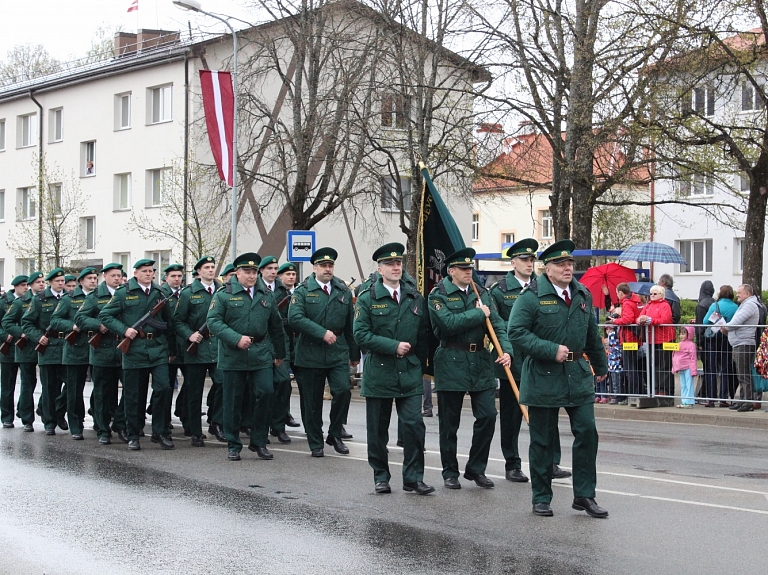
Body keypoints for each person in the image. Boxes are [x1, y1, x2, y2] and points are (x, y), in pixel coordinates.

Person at [508, 239, 609, 518]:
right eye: (561, 264)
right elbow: (516, 332)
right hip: (544, 375)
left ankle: (585, 495)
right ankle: (541, 496)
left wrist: (601, 365)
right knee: (543, 440)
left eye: (570, 264)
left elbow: (591, 334)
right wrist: (551, 350)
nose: (567, 268)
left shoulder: (582, 294)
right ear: (547, 268)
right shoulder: (531, 296)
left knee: (587, 432)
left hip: (576, 375)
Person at [428, 247, 512, 490]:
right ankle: (449, 471)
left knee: (487, 416)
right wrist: (477, 313)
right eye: (463, 269)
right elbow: (447, 325)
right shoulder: (438, 295)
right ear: (451, 271)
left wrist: (506, 351)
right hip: (451, 359)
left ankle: (476, 468)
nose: (468, 272)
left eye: (470, 269)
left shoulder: (482, 293)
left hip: (480, 363)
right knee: (449, 423)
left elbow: (497, 326)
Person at [353, 243, 433, 495]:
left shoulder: (414, 296)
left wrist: (422, 365)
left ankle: (413, 478)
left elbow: (423, 334)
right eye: (390, 264)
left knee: (414, 425)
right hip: (380, 372)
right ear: (380, 269)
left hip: (409, 372)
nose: (396, 267)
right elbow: (361, 335)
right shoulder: (367, 298)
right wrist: (392, 346)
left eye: (399, 263)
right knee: (378, 430)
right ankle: (381, 475)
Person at [207, 253, 286, 461]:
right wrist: (235, 338)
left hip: (260, 352)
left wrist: (279, 353)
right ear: (238, 273)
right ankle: (233, 444)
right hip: (234, 354)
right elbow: (213, 322)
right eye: (247, 272)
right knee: (233, 400)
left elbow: (276, 326)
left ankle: (259, 441)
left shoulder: (265, 294)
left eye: (254, 272)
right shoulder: (224, 294)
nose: (251, 276)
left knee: (266, 392)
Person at [99, 259, 177, 451]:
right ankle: (133, 434)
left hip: (157, 348)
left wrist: (172, 350)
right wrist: (124, 330)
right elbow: (105, 316)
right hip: (134, 349)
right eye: (144, 271)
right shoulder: (124, 292)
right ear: (135, 273)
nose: (148, 274)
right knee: (134, 395)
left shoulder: (161, 293)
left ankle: (159, 432)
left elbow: (168, 323)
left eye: (151, 271)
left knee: (163, 389)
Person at [289, 248, 360, 457]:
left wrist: (354, 354)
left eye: (330, 266)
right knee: (311, 401)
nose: (327, 269)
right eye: (323, 266)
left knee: (342, 391)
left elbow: (350, 324)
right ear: (315, 268)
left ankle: (335, 433)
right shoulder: (302, 290)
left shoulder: (343, 290)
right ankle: (315, 441)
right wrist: (321, 333)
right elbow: (295, 318)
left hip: (337, 350)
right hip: (310, 352)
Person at [489, 238, 537, 483]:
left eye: (532, 260)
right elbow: (495, 327)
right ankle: (512, 463)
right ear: (513, 262)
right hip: (513, 361)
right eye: (525, 260)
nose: (529, 264)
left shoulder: (542, 286)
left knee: (543, 415)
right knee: (511, 416)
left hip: (538, 360)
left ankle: (548, 462)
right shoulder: (499, 290)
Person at [173, 256, 223, 447]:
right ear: (199, 272)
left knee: (223, 383)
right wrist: (189, 335)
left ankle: (216, 422)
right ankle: (195, 431)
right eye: (207, 267)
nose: (211, 270)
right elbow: (178, 320)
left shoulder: (222, 290)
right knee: (194, 392)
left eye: (212, 267)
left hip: (217, 346)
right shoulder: (188, 293)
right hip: (197, 347)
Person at [75, 263, 127, 444]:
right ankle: (103, 430)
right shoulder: (95, 296)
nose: (117, 278)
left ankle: (120, 423)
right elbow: (80, 318)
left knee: (130, 389)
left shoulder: (125, 294)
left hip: (123, 349)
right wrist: (99, 325)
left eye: (119, 275)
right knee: (102, 394)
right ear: (105, 276)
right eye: (113, 275)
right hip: (103, 349)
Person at [50, 267, 98, 440]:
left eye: (95, 278)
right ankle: (76, 425)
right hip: (76, 348)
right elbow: (55, 320)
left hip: (98, 347)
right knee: (74, 390)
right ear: (81, 281)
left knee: (100, 387)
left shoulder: (100, 297)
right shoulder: (69, 298)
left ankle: (100, 421)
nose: (93, 281)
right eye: (89, 278)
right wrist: (72, 326)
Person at [22, 268, 69, 436]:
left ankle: (59, 412)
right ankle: (49, 422)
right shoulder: (40, 300)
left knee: (70, 385)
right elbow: (27, 323)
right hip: (48, 347)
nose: (61, 283)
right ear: (50, 283)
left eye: (63, 280)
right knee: (49, 388)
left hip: (67, 346)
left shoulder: (69, 298)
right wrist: (38, 337)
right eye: (57, 281)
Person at [2, 271, 45, 432]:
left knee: (31, 383)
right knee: (9, 386)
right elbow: (5, 322)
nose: (41, 284)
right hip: (16, 348)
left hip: (35, 347)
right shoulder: (17, 302)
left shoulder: (42, 300)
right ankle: (9, 417)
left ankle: (24, 410)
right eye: (38, 282)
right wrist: (19, 333)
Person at [258, 256, 293, 444]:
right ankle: (259, 426)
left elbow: (288, 317)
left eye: (275, 268)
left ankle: (278, 426)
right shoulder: (255, 288)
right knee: (263, 389)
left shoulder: (282, 290)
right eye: (269, 268)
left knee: (283, 382)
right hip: (259, 344)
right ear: (261, 271)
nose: (273, 271)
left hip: (280, 343)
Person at [723, 284, 762, 412]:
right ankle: (743, 399)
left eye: (740, 293)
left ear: (747, 294)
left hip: (744, 343)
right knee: (741, 374)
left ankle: (748, 401)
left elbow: (736, 322)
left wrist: (725, 327)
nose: (737, 295)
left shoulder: (749, 305)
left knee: (744, 373)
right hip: (739, 342)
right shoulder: (744, 305)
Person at [702, 285, 738, 406]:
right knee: (725, 369)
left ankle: (711, 398)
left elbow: (705, 321)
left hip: (712, 339)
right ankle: (723, 398)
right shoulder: (735, 307)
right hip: (727, 339)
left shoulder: (715, 306)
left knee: (711, 368)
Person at [0, 275, 28, 428]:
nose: (26, 288)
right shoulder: (3, 302)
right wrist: (5, 336)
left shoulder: (29, 301)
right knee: (7, 385)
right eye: (23, 285)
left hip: (24, 347)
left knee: (26, 384)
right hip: (9, 347)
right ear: (16, 286)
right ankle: (6, 416)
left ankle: (23, 412)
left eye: (27, 285)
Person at [637, 285, 676, 395]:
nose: (652, 296)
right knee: (654, 365)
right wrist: (640, 320)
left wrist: (650, 320)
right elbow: (639, 317)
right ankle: (656, 388)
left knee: (664, 366)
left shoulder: (665, 305)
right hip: (651, 339)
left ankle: (665, 389)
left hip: (664, 339)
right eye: (651, 294)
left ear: (661, 295)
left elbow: (665, 319)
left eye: (655, 294)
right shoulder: (648, 305)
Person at [608, 283, 644, 397]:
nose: (616, 295)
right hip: (634, 338)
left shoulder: (627, 303)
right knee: (634, 367)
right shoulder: (636, 301)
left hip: (629, 339)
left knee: (630, 367)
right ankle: (638, 392)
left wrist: (615, 321)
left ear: (621, 292)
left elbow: (628, 319)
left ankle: (633, 394)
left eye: (616, 293)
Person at [276, 262, 300, 429]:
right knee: (283, 382)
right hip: (282, 342)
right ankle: (280, 418)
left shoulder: (301, 292)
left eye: (293, 275)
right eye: (288, 275)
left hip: (298, 343)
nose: (291, 277)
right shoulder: (275, 294)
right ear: (280, 276)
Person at [695, 281, 715, 402]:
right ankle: (708, 391)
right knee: (712, 367)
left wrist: (699, 343)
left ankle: (705, 392)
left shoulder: (701, 305)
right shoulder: (714, 302)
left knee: (707, 367)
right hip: (715, 338)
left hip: (706, 340)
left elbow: (700, 326)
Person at [672, 326, 698, 408]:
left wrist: (693, 370)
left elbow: (693, 358)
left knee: (689, 384)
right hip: (681, 368)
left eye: (684, 333)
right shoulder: (678, 344)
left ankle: (689, 402)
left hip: (688, 368)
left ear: (689, 334)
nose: (681, 336)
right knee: (683, 385)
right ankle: (684, 401)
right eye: (680, 334)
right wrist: (674, 367)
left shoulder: (691, 345)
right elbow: (674, 356)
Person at [605, 323, 623, 404]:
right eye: (607, 329)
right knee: (615, 380)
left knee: (616, 380)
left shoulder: (612, 335)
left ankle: (617, 396)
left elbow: (613, 347)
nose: (608, 331)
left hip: (615, 361)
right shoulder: (616, 334)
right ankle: (616, 395)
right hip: (614, 361)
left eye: (610, 328)